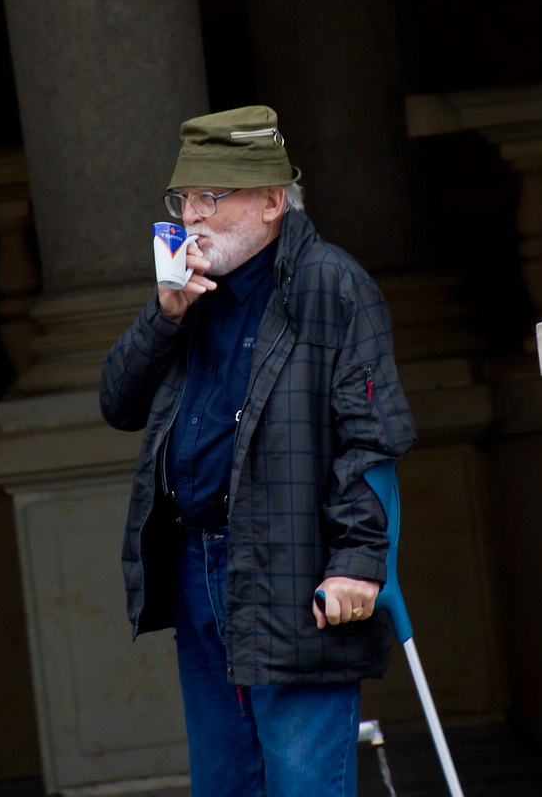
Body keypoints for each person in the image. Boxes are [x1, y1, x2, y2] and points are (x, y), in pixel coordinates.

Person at [100, 105, 416, 797]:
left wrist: (359, 565)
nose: (193, 217)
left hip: (296, 573)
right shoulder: (188, 293)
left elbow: (374, 436)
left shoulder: (332, 284)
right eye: (183, 199)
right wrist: (164, 316)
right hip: (197, 564)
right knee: (224, 784)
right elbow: (117, 404)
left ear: (272, 201)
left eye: (212, 198)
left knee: (303, 783)